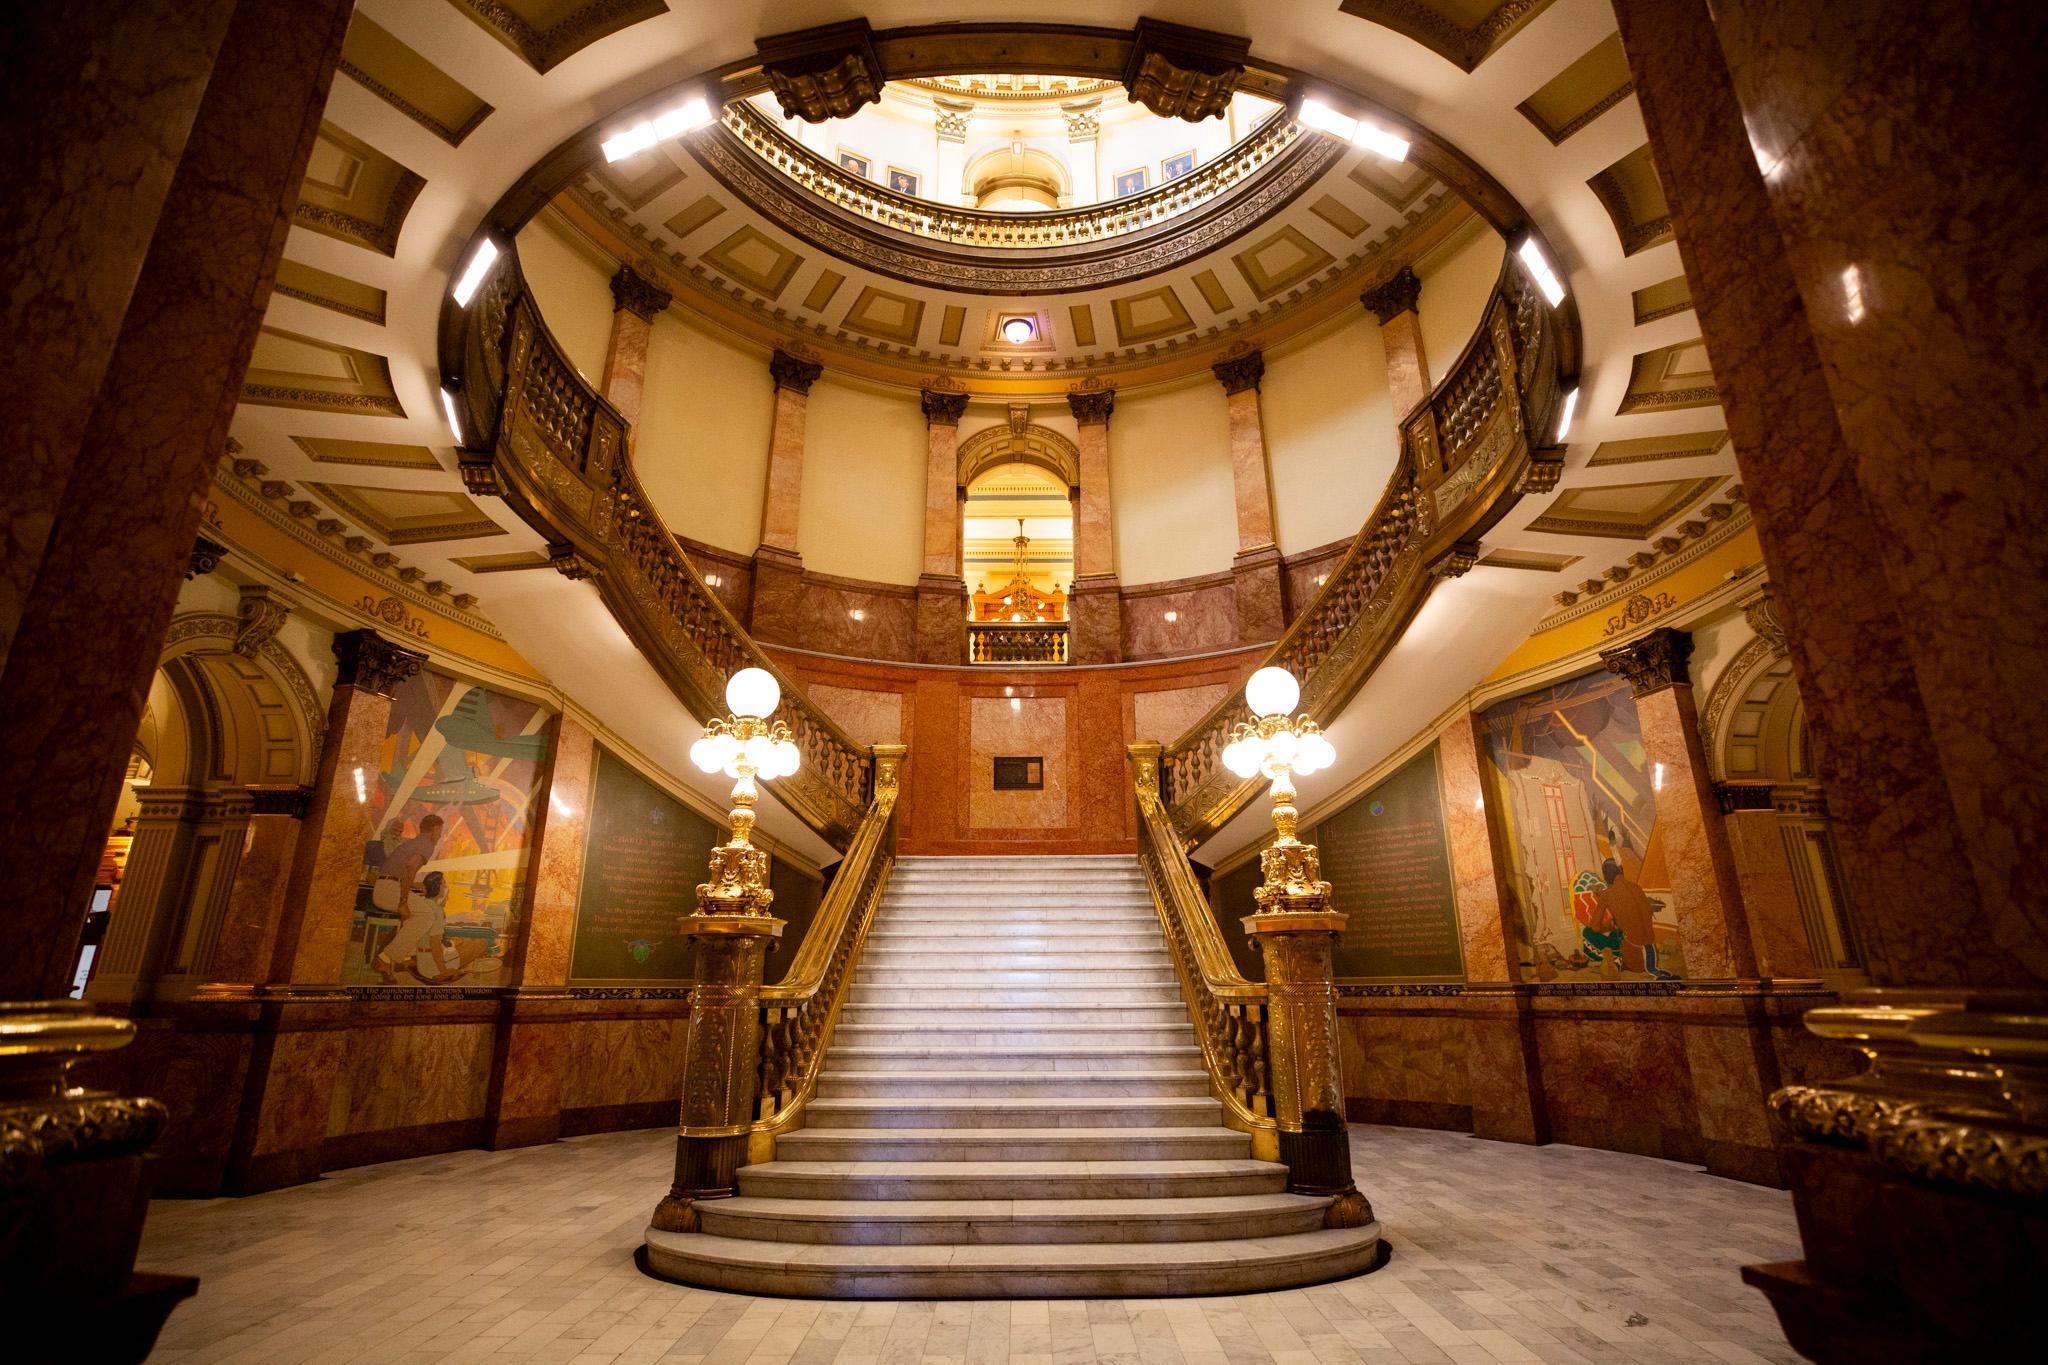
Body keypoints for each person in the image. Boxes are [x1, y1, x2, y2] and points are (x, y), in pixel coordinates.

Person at [371, 813, 442, 981]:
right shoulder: (427, 844)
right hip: (389, 890)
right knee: (427, 915)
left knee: (415, 915)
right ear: (435, 829)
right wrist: (403, 901)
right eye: (440, 831)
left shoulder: (415, 842)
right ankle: (385, 959)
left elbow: (403, 870)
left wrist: (411, 887)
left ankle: (406, 957)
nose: (440, 835)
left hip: (385, 887)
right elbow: (411, 867)